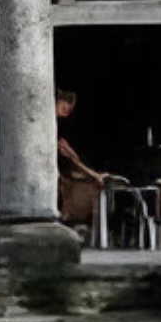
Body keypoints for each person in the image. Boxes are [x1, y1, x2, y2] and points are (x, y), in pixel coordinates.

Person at [54, 89, 103, 227]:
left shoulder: (55, 125)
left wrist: (68, 150)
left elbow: (69, 154)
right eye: (65, 106)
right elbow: (68, 159)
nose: (68, 111)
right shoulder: (49, 122)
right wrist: (91, 173)